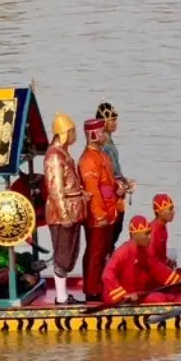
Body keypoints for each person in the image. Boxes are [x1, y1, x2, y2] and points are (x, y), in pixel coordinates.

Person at [41, 112, 87, 304]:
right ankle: (60, 297)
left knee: (70, 252)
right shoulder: (54, 156)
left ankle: (64, 294)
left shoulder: (63, 153)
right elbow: (55, 188)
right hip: (62, 213)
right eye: (72, 131)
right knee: (62, 254)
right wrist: (64, 213)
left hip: (73, 208)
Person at [79, 115, 123, 301]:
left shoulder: (102, 155)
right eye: (102, 132)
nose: (106, 135)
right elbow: (93, 189)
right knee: (95, 253)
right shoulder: (88, 159)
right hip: (99, 214)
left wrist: (118, 187)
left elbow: (108, 181)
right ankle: (92, 290)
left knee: (104, 250)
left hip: (109, 210)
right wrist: (99, 214)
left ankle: (101, 284)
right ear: (94, 134)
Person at [104, 216, 176, 305]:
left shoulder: (143, 252)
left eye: (150, 233)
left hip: (136, 295)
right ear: (134, 235)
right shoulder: (123, 252)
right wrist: (123, 295)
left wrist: (177, 280)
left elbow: (157, 268)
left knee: (168, 296)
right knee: (159, 298)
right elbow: (107, 274)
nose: (150, 237)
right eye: (146, 234)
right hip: (121, 299)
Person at [145, 193, 181, 291]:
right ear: (159, 212)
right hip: (152, 275)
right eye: (170, 209)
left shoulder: (162, 227)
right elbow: (151, 261)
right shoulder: (154, 230)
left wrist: (168, 262)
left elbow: (160, 255)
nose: (173, 212)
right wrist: (174, 279)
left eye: (173, 209)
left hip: (160, 269)